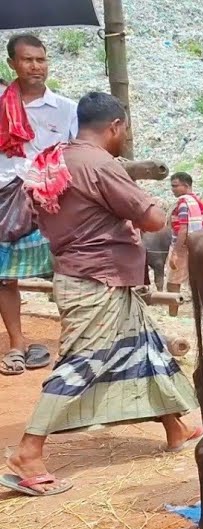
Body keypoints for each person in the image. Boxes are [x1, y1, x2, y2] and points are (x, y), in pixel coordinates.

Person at [2, 92, 200, 497]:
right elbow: (152, 217)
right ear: (115, 127)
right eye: (124, 129)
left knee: (146, 349)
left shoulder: (56, 157)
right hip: (98, 278)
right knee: (81, 362)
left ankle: (175, 426)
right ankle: (28, 450)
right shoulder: (99, 164)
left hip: (87, 273)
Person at [0, 34, 77, 376]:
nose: (36, 66)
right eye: (28, 60)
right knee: (3, 279)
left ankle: (71, 345)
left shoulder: (66, 109)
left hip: (52, 202)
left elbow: (78, 154)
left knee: (67, 271)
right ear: (11, 64)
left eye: (41, 59)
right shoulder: (0, 103)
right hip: (4, 201)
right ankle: (17, 345)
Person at [164, 172, 203, 313]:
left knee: (173, 281)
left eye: (175, 186)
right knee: (197, 281)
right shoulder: (199, 202)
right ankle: (201, 312)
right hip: (199, 246)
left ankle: (172, 313)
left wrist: (176, 252)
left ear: (186, 185)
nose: (173, 189)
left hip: (183, 247)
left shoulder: (183, 203)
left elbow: (183, 228)